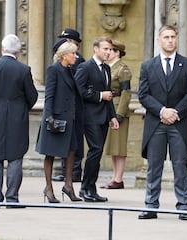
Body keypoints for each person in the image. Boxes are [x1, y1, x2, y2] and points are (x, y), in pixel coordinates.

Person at [137, 25, 187, 220]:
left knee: (180, 166)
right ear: (159, 40)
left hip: (178, 124)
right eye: (166, 37)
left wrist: (175, 112)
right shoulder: (148, 66)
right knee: (154, 167)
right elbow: (144, 95)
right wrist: (162, 111)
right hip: (156, 123)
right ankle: (151, 205)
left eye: (173, 37)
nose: (170, 40)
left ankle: (183, 206)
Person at [0, 34, 38, 205]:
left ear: (2, 48)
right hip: (17, 117)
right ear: (18, 50)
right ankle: (12, 198)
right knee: (15, 157)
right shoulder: (23, 69)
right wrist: (20, 107)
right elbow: (32, 96)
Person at [36, 39, 82, 203]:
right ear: (64, 55)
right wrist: (49, 117)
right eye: (73, 53)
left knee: (71, 151)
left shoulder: (70, 70)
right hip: (55, 117)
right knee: (50, 153)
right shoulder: (53, 70)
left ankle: (68, 186)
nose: (76, 56)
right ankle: (48, 188)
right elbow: (49, 95)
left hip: (70, 118)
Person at [75, 36, 119, 202]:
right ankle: (85, 187)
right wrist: (100, 95)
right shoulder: (85, 67)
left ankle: (90, 188)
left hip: (103, 117)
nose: (108, 52)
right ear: (96, 49)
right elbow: (79, 90)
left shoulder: (106, 69)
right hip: (90, 116)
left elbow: (109, 94)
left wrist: (113, 116)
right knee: (95, 150)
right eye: (105, 49)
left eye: (110, 49)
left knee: (97, 152)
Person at [52, 28, 85, 183]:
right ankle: (66, 171)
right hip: (66, 107)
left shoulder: (78, 61)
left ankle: (74, 171)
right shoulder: (61, 63)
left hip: (75, 107)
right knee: (67, 141)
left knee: (75, 141)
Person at [101, 40, 132, 189]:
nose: (108, 52)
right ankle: (115, 177)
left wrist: (120, 113)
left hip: (118, 108)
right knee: (113, 146)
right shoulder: (108, 67)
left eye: (111, 50)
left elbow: (126, 93)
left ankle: (118, 179)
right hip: (109, 108)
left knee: (119, 146)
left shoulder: (122, 69)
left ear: (117, 52)